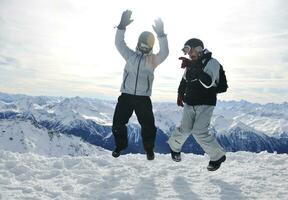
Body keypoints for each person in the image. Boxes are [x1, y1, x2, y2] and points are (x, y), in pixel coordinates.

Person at [112, 10, 169, 160]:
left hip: (143, 99)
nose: (145, 49)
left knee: (148, 126)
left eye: (147, 47)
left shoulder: (153, 61)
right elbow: (119, 43)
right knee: (118, 123)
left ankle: (149, 149)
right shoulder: (130, 56)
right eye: (143, 46)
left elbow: (165, 52)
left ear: (151, 47)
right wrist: (121, 27)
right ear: (138, 44)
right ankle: (120, 146)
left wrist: (161, 35)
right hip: (126, 96)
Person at [167, 38, 226, 171]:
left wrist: (196, 68)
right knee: (185, 129)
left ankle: (217, 157)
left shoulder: (212, 63)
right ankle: (174, 148)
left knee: (199, 132)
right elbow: (184, 81)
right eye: (187, 51)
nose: (188, 53)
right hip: (190, 102)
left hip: (205, 103)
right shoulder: (192, 63)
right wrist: (180, 94)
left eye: (190, 50)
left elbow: (208, 83)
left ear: (199, 49)